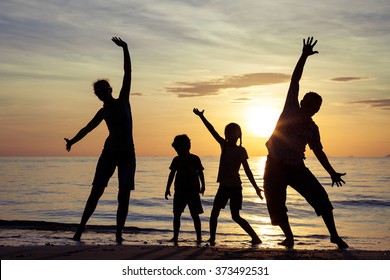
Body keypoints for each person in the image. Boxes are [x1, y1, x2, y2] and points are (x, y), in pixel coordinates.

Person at [263, 37, 348, 249]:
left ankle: (334, 236)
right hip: (274, 166)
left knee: (321, 198)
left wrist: (331, 172)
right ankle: (289, 237)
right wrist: (303, 56)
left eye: (315, 107)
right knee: (275, 205)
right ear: (302, 102)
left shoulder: (313, 128)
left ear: (317, 110)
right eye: (309, 104)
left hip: (296, 168)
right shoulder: (290, 108)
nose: (311, 108)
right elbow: (295, 81)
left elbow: (319, 152)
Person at [64, 37, 135, 244]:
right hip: (109, 153)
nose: (100, 95)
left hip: (127, 154)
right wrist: (73, 141)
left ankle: (118, 234)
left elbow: (128, 73)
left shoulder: (123, 101)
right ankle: (80, 229)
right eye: (97, 93)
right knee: (96, 191)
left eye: (102, 91)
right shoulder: (103, 112)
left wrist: (125, 48)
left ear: (109, 90)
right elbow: (87, 128)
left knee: (124, 195)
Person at [193, 108, 263, 246]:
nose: (231, 134)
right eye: (229, 132)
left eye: (234, 132)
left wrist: (256, 188)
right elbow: (211, 130)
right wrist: (201, 117)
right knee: (215, 212)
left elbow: (247, 171)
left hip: (236, 187)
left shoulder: (241, 150)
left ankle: (255, 237)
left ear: (239, 135)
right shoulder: (224, 145)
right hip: (224, 186)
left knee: (235, 216)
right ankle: (212, 239)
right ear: (226, 135)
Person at [165, 134, 206, 245]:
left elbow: (200, 173)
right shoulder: (176, 160)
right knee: (177, 215)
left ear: (187, 146)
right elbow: (172, 174)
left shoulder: (195, 159)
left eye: (178, 149)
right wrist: (167, 188)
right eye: (176, 149)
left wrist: (203, 185)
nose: (177, 151)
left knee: (195, 215)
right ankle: (175, 237)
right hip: (179, 192)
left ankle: (199, 237)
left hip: (193, 192)